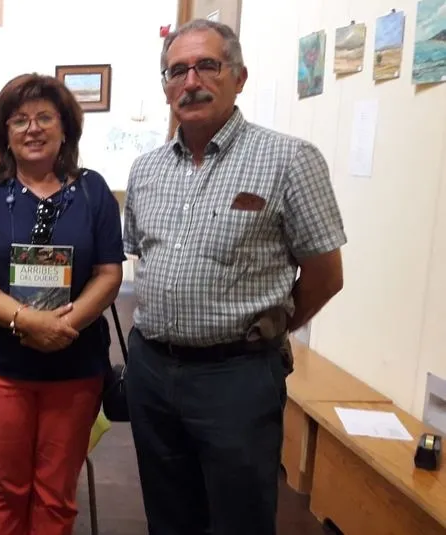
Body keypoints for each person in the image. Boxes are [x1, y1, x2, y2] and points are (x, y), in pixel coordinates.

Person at [122, 19, 346, 535]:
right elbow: (142, 257)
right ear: (165, 87)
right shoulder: (146, 170)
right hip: (152, 371)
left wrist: (271, 329)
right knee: (168, 514)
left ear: (239, 77)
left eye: (207, 65)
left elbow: (325, 274)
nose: (191, 81)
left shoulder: (289, 160)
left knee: (240, 517)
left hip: (237, 377)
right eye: (176, 71)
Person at [0, 73, 125, 535]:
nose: (32, 128)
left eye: (44, 117)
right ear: (5, 135)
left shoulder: (94, 193)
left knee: (56, 495)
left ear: (65, 128)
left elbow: (110, 273)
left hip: (75, 368)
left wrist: (65, 324)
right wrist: (27, 320)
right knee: (4, 489)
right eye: (19, 120)